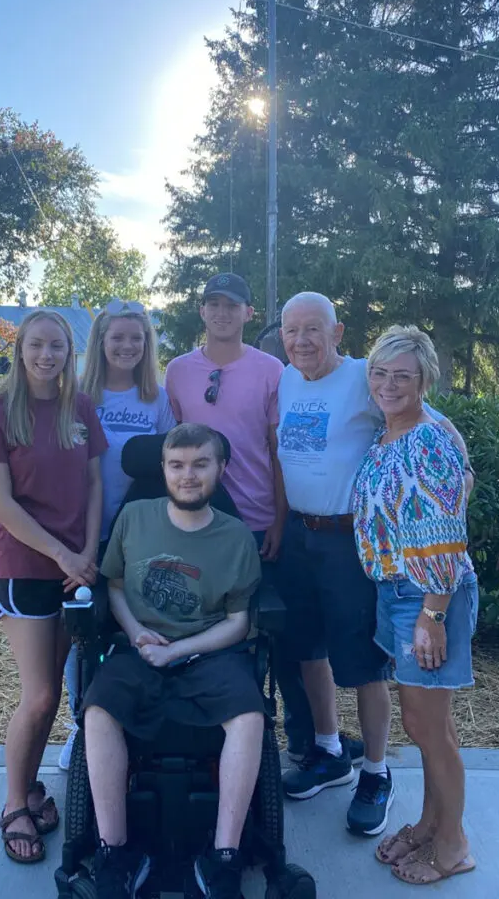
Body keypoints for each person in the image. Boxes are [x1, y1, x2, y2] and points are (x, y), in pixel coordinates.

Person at [276, 292, 473, 838]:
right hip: (299, 536)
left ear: (337, 332)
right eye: (292, 331)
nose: (302, 341)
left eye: (313, 329)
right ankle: (328, 752)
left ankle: (375, 771)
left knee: (362, 665)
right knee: (307, 652)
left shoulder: (368, 374)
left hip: (346, 544)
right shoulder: (287, 380)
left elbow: (426, 417)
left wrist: (461, 470)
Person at [82, 423, 264, 899]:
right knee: (98, 710)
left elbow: (239, 621)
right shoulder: (135, 517)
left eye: (201, 464)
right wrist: (137, 632)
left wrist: (180, 649)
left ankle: (224, 858)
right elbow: (115, 586)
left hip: (208, 652)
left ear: (220, 469)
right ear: (162, 469)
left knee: (249, 715)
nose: (189, 476)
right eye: (177, 465)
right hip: (136, 648)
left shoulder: (237, 537)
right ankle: (114, 853)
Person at [0, 309, 107, 864]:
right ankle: (12, 804)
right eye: (37, 346)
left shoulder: (80, 408)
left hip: (75, 569)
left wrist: (88, 554)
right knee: (41, 693)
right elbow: (1, 505)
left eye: (57, 346)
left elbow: (96, 482)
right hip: (26, 567)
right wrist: (62, 553)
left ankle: (29, 788)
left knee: (54, 687)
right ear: (20, 349)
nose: (47, 356)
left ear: (68, 353)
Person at [164, 272, 317, 762]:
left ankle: (303, 739)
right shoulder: (178, 372)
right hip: (195, 524)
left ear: (249, 313)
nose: (222, 313)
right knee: (197, 625)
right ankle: (195, 731)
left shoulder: (272, 370)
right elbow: (172, 452)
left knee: (277, 634)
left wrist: (277, 520)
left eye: (233, 305)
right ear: (202, 311)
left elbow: (278, 453)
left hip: (257, 522)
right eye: (213, 303)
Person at [353, 326, 477, 884]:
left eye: (402, 375)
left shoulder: (425, 437)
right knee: (425, 722)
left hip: (425, 596)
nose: (388, 384)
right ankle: (430, 822)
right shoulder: (393, 432)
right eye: (379, 373)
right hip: (399, 592)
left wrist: (432, 613)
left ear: (425, 379)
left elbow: (446, 531)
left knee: (431, 729)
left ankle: (453, 846)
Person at [60, 299, 176, 769]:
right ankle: (80, 724)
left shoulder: (158, 399)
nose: (127, 346)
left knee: (138, 629)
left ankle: (137, 718)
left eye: (136, 338)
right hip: (83, 534)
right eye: (117, 338)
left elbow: (174, 466)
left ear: (146, 344)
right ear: (101, 342)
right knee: (82, 634)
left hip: (141, 539)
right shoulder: (78, 396)